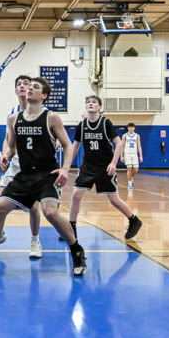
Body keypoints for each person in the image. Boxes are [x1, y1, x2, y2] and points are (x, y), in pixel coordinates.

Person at [0, 77, 86, 276]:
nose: (30, 88)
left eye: (35, 87)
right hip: (25, 175)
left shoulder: (51, 118)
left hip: (47, 175)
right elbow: (12, 147)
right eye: (29, 86)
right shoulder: (13, 119)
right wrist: (6, 156)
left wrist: (65, 169)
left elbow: (68, 145)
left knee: (50, 212)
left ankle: (77, 251)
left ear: (44, 96)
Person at [67, 95, 142, 241]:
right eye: (88, 102)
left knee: (113, 199)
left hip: (105, 166)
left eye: (94, 102)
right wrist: (67, 165)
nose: (90, 104)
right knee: (76, 195)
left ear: (100, 107)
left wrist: (113, 163)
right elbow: (75, 146)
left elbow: (119, 144)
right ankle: (71, 229)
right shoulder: (82, 125)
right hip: (88, 166)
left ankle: (134, 220)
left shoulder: (105, 123)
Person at [0, 74, 43, 257]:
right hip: (16, 164)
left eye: (27, 83)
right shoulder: (13, 114)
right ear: (16, 90)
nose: (23, 86)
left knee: (34, 207)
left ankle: (35, 240)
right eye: (19, 84)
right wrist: (5, 154)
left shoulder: (42, 112)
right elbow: (8, 140)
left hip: (35, 167)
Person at [120, 122, 142, 189]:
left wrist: (141, 156)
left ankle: (131, 177)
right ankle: (129, 183)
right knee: (129, 169)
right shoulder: (124, 135)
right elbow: (122, 146)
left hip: (134, 154)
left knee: (136, 169)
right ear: (128, 128)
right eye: (130, 127)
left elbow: (139, 146)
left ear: (134, 128)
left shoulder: (137, 136)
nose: (131, 128)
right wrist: (121, 156)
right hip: (127, 154)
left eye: (132, 127)